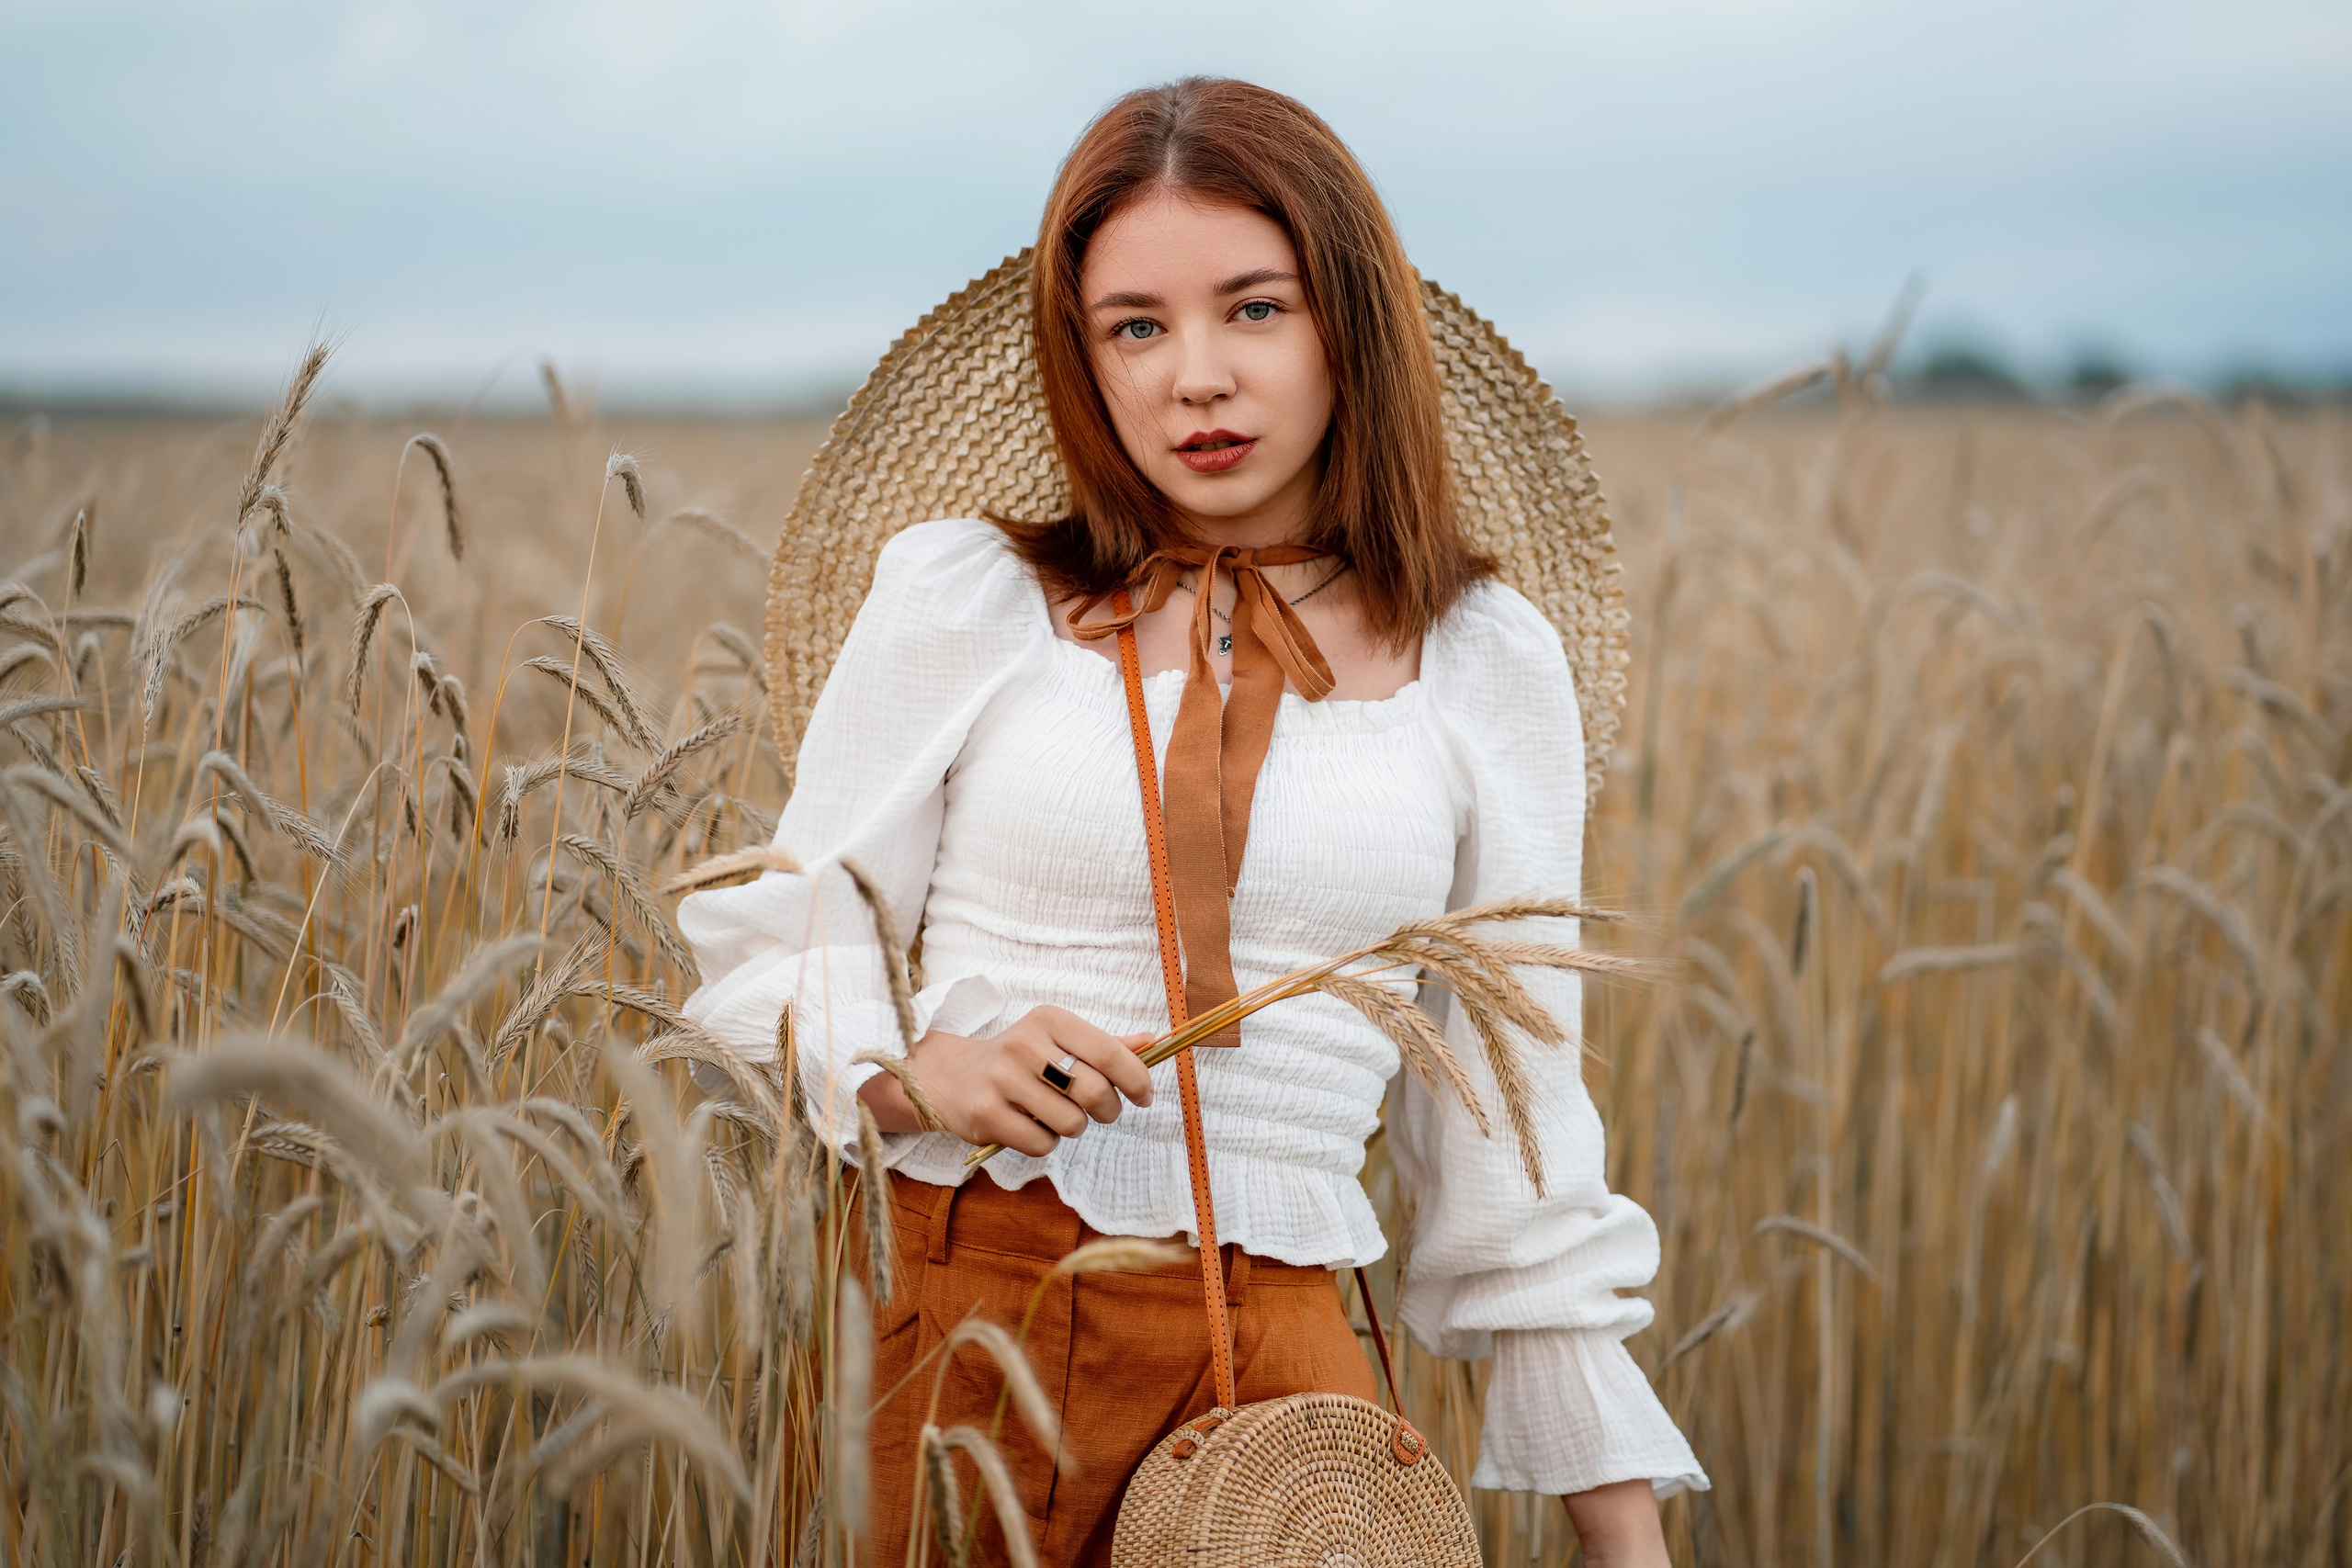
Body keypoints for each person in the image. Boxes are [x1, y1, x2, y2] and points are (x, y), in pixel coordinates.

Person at [679, 76, 1704, 1568]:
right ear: (1082, 358)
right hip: (952, 1337)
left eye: (1255, 310)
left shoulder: (1486, 658)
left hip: (1287, 1387)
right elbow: (775, 941)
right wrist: (921, 1071)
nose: (1195, 379)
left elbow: (1517, 1134)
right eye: (1135, 328)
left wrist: (1626, 1546)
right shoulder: (971, 597)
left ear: (1350, 325)